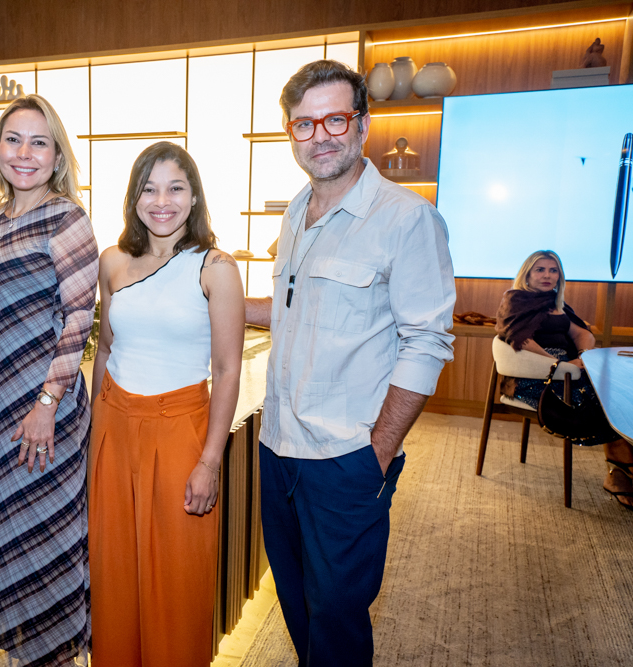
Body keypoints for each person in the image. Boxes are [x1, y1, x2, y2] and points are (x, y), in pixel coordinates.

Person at [243, 59, 456, 665]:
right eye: (304, 124)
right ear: (291, 134)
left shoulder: (406, 218)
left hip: (345, 457)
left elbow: (427, 342)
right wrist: (208, 294)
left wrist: (376, 454)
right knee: (297, 604)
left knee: (337, 618)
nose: (321, 136)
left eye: (335, 119)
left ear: (362, 125)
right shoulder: (295, 212)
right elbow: (291, 312)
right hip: (278, 447)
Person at [88, 142, 245, 667]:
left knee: (177, 579)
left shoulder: (216, 267)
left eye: (175, 188)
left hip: (181, 431)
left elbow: (226, 370)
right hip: (113, 427)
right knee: (114, 574)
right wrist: (93, 438)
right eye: (149, 189)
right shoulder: (112, 261)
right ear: (133, 198)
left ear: (194, 196)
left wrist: (210, 461)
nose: (162, 201)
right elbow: (105, 349)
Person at [0, 94, 98, 666]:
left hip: (47, 407)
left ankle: (57, 657)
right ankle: (17, 657)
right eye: (13, 139)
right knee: (7, 541)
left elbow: (80, 317)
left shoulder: (67, 218)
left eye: (39, 142)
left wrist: (46, 401)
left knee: (48, 538)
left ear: (57, 155)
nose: (24, 152)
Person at [495, 250, 633, 509]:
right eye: (540, 269)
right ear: (527, 274)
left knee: (615, 394)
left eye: (553, 270)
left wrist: (582, 357)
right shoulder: (516, 300)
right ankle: (621, 471)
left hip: (569, 370)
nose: (547, 275)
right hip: (534, 377)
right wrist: (558, 365)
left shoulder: (555, 303)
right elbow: (519, 338)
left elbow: (582, 333)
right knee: (601, 402)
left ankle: (620, 471)